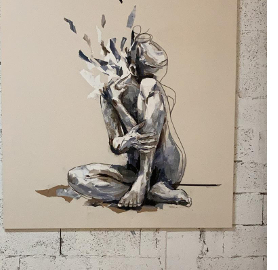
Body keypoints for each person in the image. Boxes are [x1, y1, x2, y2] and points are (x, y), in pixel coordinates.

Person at [67, 32, 191, 209]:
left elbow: (148, 135)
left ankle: (144, 183)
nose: (156, 79)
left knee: (148, 86)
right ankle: (151, 192)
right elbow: (117, 145)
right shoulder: (111, 93)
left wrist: (120, 108)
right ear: (132, 69)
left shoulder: (153, 88)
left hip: (166, 167)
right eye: (151, 73)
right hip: (135, 169)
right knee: (76, 176)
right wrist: (128, 137)